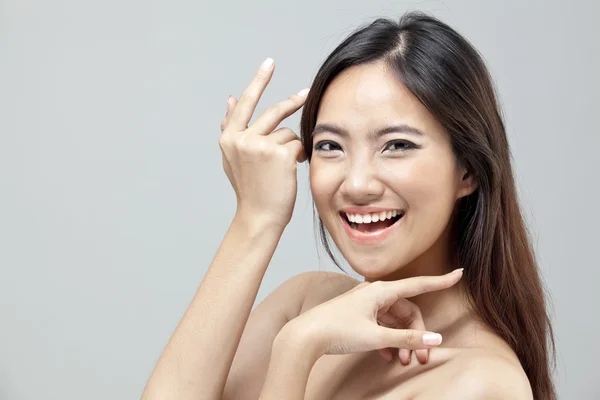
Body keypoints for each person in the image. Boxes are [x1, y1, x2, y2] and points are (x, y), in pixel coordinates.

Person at [141, 12, 556, 400]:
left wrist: (295, 352)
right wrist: (256, 218)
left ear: (467, 170)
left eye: (397, 145)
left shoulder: (481, 384)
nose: (356, 184)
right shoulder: (307, 302)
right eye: (330, 146)